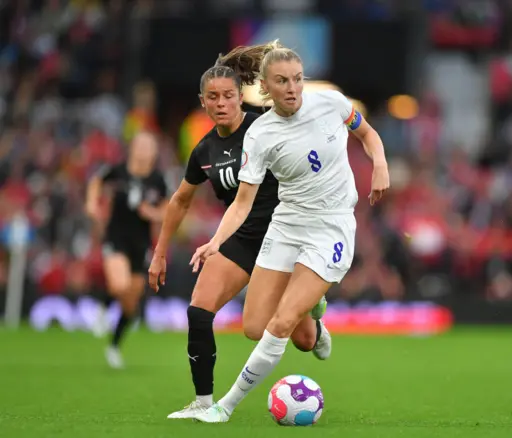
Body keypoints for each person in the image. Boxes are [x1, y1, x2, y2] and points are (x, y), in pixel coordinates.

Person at [187, 40, 389, 423]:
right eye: (282, 81)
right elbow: (243, 202)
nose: (293, 87)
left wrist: (379, 163)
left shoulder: (330, 102)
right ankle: (316, 311)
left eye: (297, 79)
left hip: (330, 228)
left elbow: (367, 134)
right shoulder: (260, 135)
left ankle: (223, 407)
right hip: (287, 224)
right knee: (258, 328)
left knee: (280, 325)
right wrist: (216, 241)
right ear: (265, 88)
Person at [146, 48, 331, 420]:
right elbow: (180, 201)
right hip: (242, 239)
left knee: (306, 341)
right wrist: (160, 252)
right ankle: (202, 403)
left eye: (228, 95)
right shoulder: (204, 150)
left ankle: (314, 313)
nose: (221, 103)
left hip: (286, 235)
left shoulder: (266, 122)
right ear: (203, 102)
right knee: (199, 312)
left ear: (240, 96)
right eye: (212, 97)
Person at [85, 131, 168, 369]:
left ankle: (113, 346)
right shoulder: (117, 171)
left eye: (149, 146)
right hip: (116, 236)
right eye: (140, 145)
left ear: (154, 152)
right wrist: (92, 204)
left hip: (141, 244)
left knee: (131, 303)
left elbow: (168, 208)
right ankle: (103, 307)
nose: (144, 151)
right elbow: (96, 181)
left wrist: (152, 213)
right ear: (132, 148)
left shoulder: (157, 180)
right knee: (118, 285)